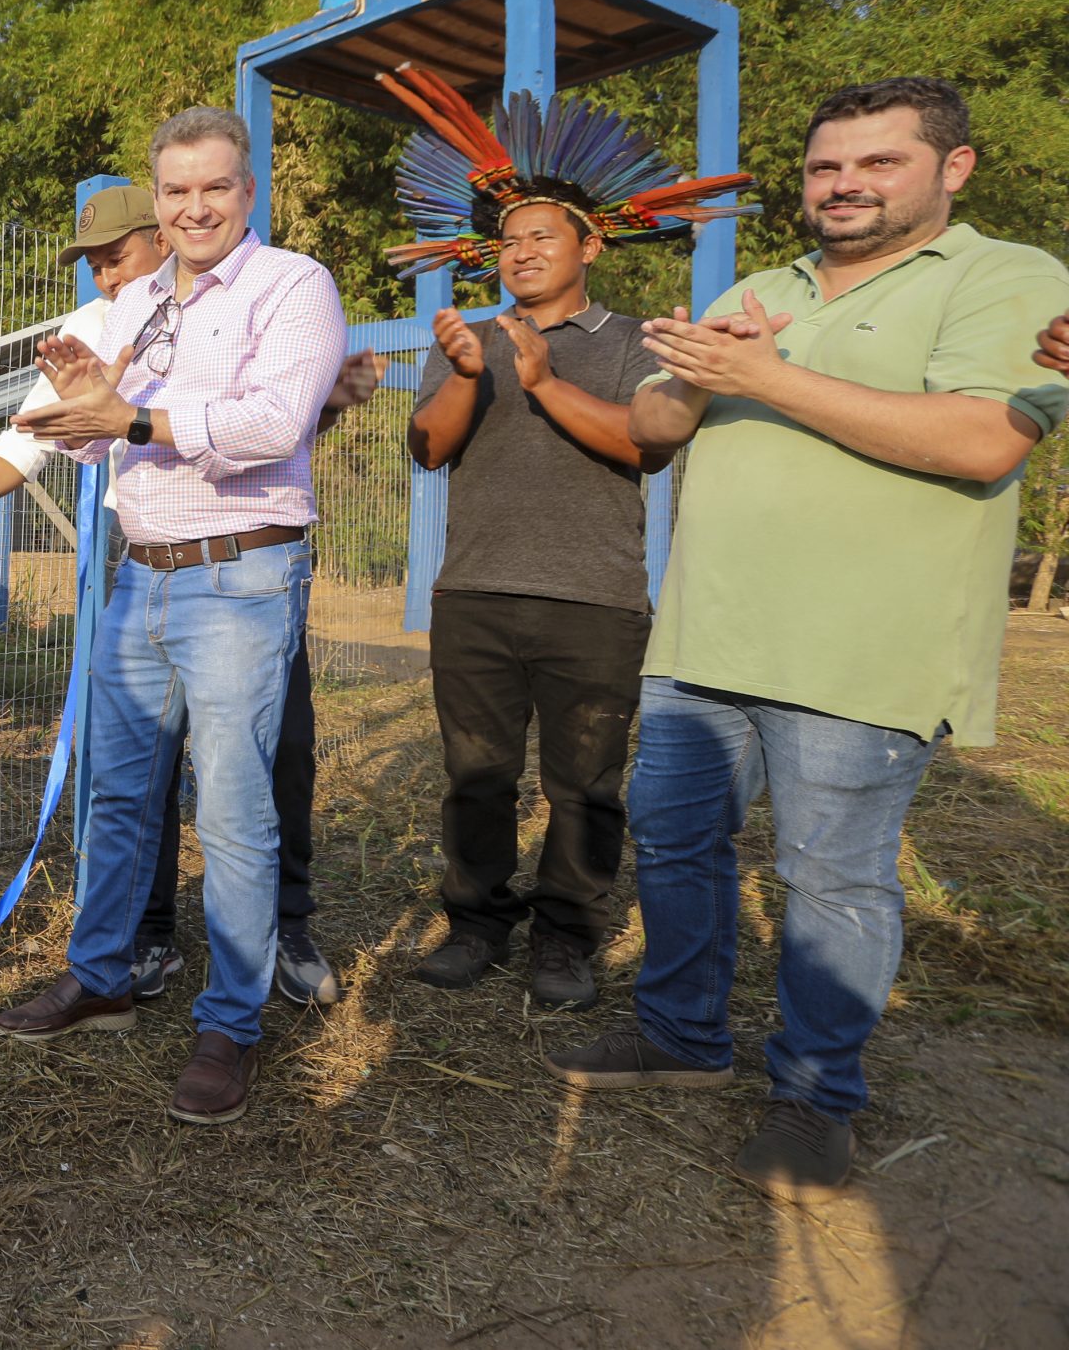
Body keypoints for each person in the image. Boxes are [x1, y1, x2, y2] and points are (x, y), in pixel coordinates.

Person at [546, 77, 1069, 1202]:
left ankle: (816, 1094)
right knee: (676, 842)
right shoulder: (759, 285)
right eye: (827, 166)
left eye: (878, 163)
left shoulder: (1002, 276)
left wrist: (767, 377)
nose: (843, 186)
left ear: (952, 169)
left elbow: (985, 439)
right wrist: (697, 378)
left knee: (829, 879)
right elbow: (648, 424)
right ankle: (681, 1036)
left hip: (862, 646)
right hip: (704, 632)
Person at [0, 182, 380, 1008]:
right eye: (90, 264)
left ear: (160, 235)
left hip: (246, 564)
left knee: (270, 763)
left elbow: (269, 430)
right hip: (143, 555)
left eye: (114, 256)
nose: (102, 278)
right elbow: (35, 440)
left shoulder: (269, 292)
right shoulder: (101, 323)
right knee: (131, 772)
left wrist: (321, 408)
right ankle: (144, 940)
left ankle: (281, 937)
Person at [0, 106, 348, 1127]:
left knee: (233, 810)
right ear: (159, 200)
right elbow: (99, 446)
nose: (195, 207)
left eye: (215, 187)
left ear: (247, 192)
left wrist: (130, 413)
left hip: (239, 575)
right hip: (137, 576)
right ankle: (101, 973)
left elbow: (274, 427)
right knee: (115, 795)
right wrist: (86, 403)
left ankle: (229, 1021)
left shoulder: (292, 286)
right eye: (177, 191)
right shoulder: (139, 300)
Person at [387, 62, 754, 1013]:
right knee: (476, 776)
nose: (519, 252)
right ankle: (474, 921)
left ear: (589, 243)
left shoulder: (634, 340)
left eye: (540, 236)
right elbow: (429, 449)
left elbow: (643, 441)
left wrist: (544, 380)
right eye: (507, 241)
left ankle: (567, 937)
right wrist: (470, 370)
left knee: (586, 783)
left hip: (594, 599)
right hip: (474, 592)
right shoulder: (462, 339)